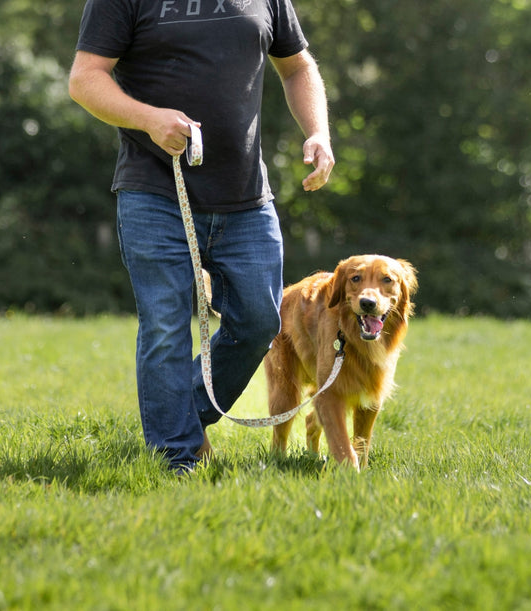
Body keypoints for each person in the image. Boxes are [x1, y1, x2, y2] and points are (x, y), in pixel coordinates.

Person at [68, 0, 334, 473]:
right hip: (154, 189)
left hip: (246, 195)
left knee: (258, 323)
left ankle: (181, 417)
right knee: (165, 327)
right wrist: (149, 119)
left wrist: (318, 132)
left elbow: (298, 67)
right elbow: (85, 78)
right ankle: (177, 458)